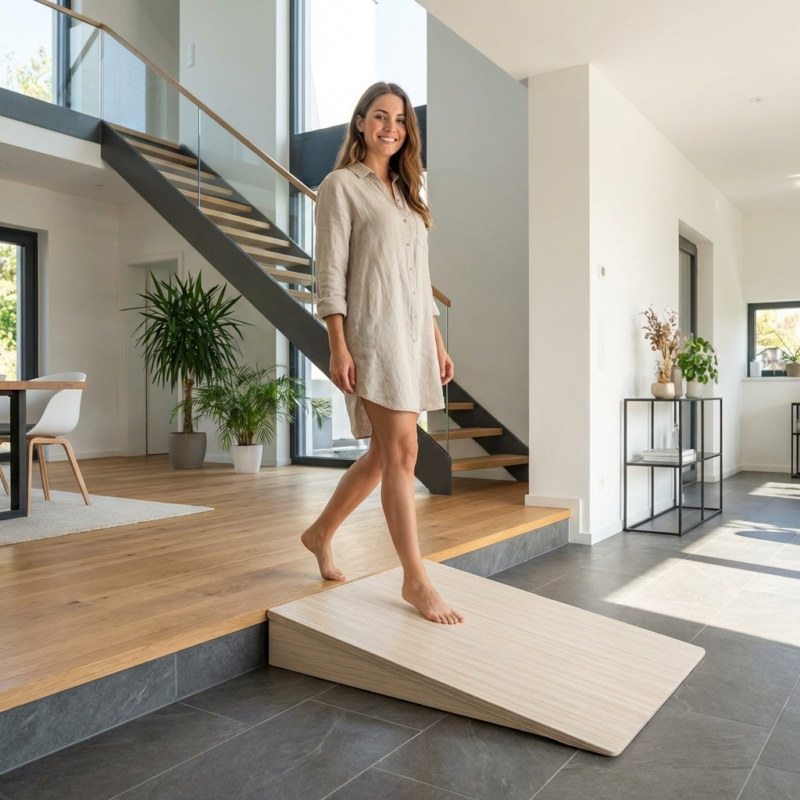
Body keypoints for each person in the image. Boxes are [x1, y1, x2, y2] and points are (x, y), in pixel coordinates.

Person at [301, 82, 463, 625]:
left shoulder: (410, 195)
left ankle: (320, 533)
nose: (389, 126)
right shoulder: (339, 187)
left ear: (406, 132)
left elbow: (420, 281)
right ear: (361, 123)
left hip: (413, 338)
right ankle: (415, 581)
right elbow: (329, 277)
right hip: (372, 337)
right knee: (402, 455)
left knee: (382, 456)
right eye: (379, 116)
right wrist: (337, 345)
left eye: (398, 119)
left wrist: (437, 345)